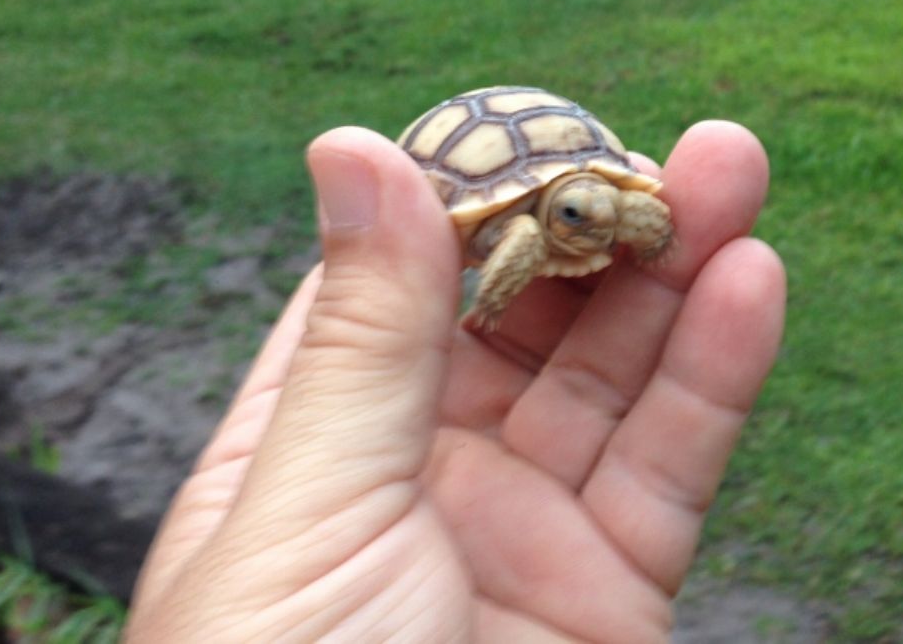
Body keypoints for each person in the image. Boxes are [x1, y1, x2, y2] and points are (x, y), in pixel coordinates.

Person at [124, 120, 785, 642]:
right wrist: (493, 302)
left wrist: (643, 230)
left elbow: (638, 214)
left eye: (601, 215)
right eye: (579, 220)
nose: (597, 226)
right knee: (524, 241)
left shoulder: (601, 206)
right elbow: (524, 237)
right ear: (559, 215)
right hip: (495, 205)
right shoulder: (527, 228)